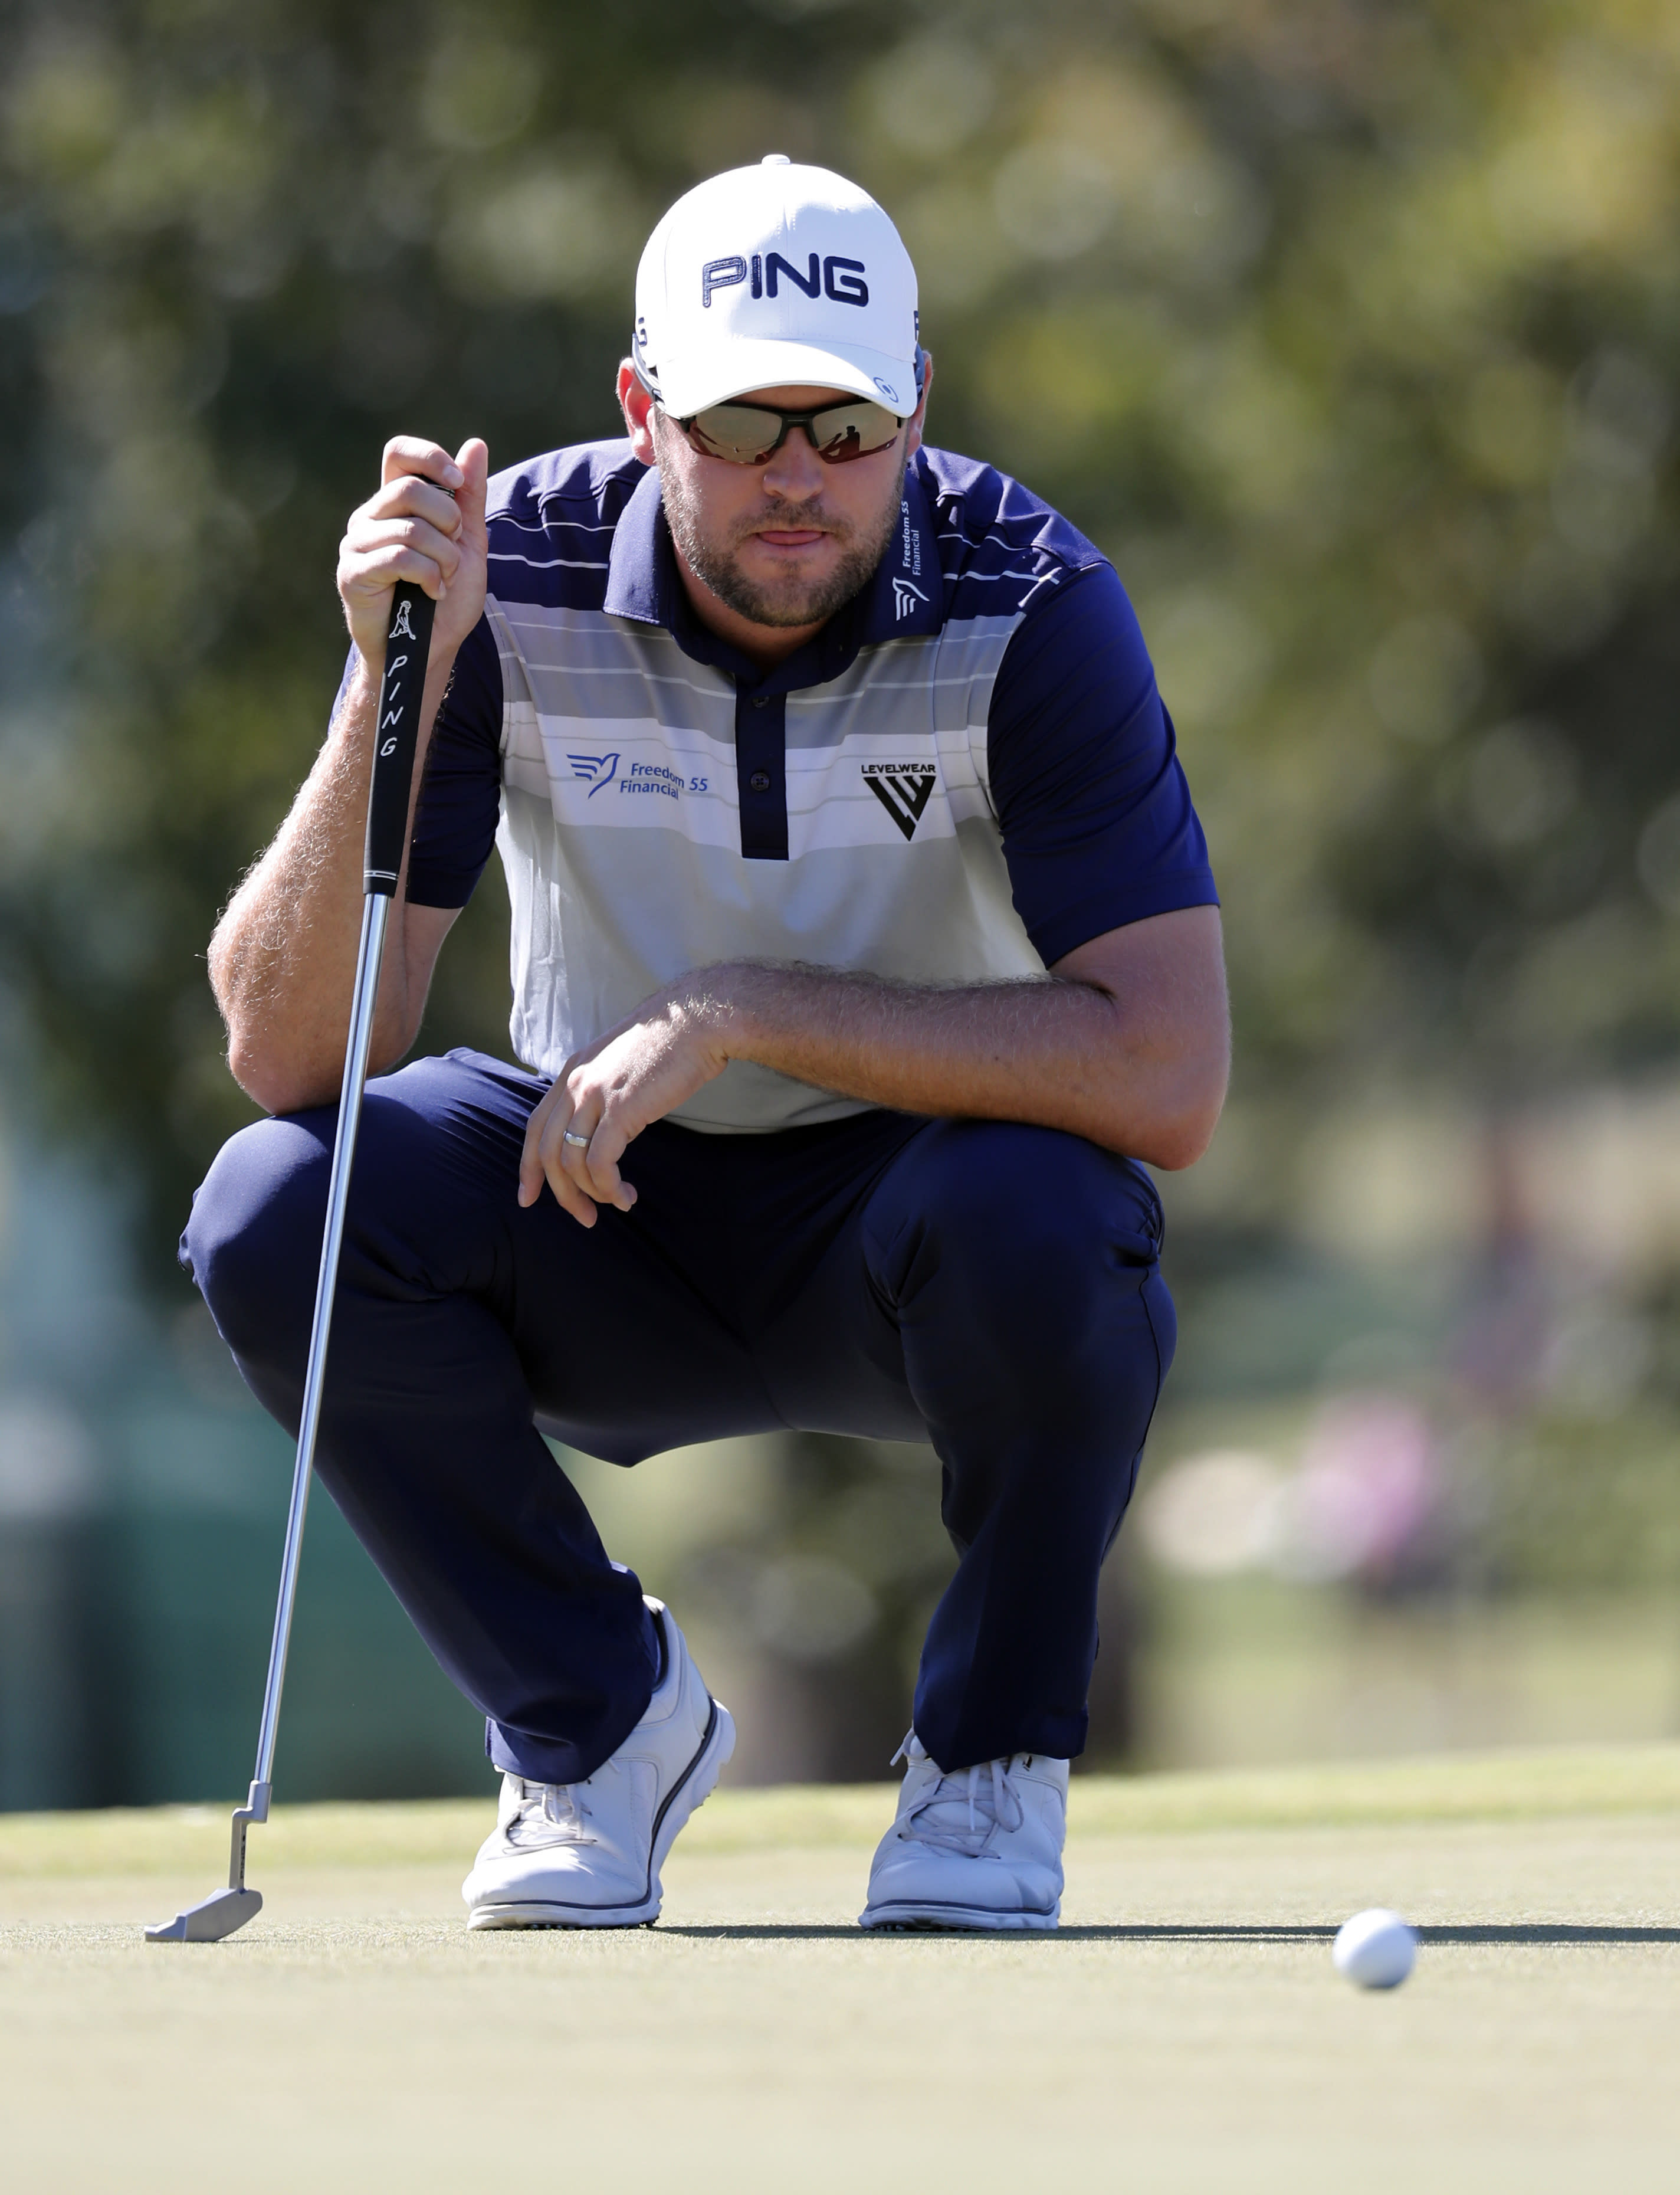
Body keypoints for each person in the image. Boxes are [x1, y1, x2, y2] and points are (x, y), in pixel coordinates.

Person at [185, 157, 1229, 1933]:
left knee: (1056, 1219)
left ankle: (983, 1775)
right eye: (743, 422)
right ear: (642, 405)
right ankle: (595, 1731)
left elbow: (1165, 1075)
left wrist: (738, 1013)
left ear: (919, 409)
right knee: (279, 1202)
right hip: (593, 1203)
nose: (799, 477)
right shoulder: (501, 576)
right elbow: (293, 1058)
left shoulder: (1034, 598)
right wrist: (390, 675)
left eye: (847, 423)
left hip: (921, 1229)